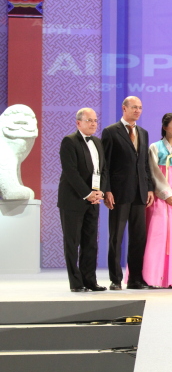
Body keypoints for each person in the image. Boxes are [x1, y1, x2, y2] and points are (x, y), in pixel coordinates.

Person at [102, 96, 154, 290]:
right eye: (134, 107)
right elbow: (105, 164)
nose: (138, 111)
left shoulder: (143, 133)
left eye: (140, 108)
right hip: (119, 192)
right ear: (124, 108)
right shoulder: (110, 132)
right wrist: (106, 189)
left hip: (140, 193)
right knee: (116, 236)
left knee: (138, 237)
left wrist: (149, 187)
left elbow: (145, 164)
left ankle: (135, 279)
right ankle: (115, 279)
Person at [57, 108, 107, 292]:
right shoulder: (69, 141)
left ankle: (90, 281)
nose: (93, 123)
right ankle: (76, 283)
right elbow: (71, 172)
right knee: (72, 242)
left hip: (93, 200)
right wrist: (87, 193)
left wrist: (100, 192)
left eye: (95, 120)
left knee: (90, 242)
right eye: (89, 120)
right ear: (79, 123)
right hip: (73, 200)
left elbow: (103, 170)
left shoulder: (98, 142)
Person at [141, 113, 172, 288]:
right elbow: (153, 172)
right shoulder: (154, 148)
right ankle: (155, 276)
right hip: (161, 197)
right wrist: (166, 193)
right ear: (164, 127)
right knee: (158, 235)